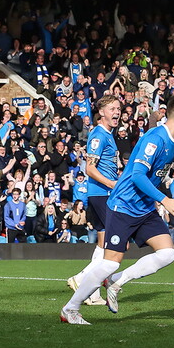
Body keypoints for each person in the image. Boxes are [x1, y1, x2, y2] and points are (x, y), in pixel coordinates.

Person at [61, 94, 174, 325]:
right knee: (110, 262)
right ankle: (70, 308)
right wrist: (165, 200)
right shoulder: (156, 138)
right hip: (123, 205)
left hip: (144, 208)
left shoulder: (172, 142)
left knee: (167, 253)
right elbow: (138, 175)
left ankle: (116, 281)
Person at [66, 94, 124, 307]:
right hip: (102, 194)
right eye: (112, 109)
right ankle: (81, 279)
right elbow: (89, 169)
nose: (117, 112)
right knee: (116, 243)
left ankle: (92, 293)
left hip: (102, 194)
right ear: (101, 112)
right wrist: (112, 184)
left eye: (118, 109)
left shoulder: (108, 134)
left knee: (103, 243)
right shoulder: (99, 135)